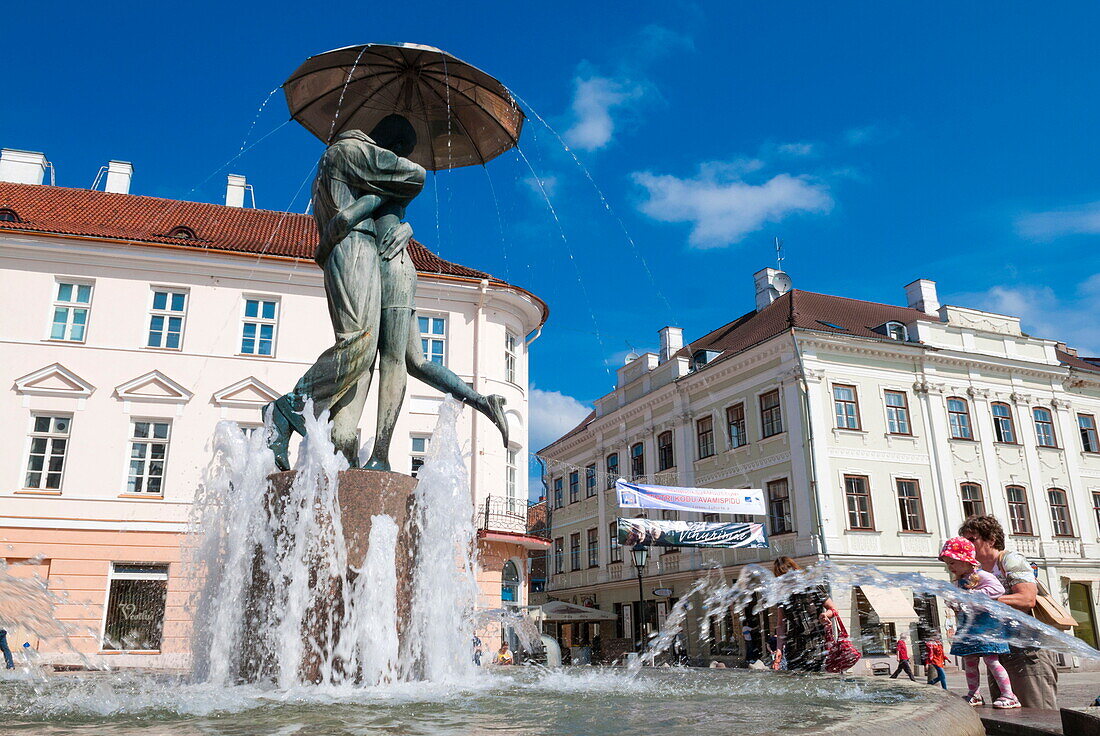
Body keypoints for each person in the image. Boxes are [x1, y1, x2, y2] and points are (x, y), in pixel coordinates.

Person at [265, 115, 508, 470]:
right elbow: (409, 179)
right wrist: (359, 214)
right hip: (361, 252)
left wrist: (398, 223)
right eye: (398, 154)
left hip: (390, 264)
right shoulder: (354, 155)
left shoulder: (349, 169)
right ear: (390, 149)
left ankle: (377, 453)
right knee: (365, 351)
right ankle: (302, 417)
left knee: (391, 358)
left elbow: (388, 203)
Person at [959, 515, 1058, 709]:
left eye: (972, 539)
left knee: (1037, 713)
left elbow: (1027, 599)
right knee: (1007, 715)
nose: (967, 545)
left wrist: (982, 600)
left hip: (1028, 651)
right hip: (997, 650)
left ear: (991, 539)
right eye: (965, 541)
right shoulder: (974, 572)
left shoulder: (1010, 560)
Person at [940, 536, 1020, 709]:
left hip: (986, 627)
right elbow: (958, 601)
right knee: (969, 661)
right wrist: (953, 601)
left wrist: (974, 595)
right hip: (968, 627)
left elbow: (998, 590)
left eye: (952, 562)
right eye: (947, 563)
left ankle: (1009, 695)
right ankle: (974, 694)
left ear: (966, 560)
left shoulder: (982, 575)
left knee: (991, 660)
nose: (950, 567)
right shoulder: (958, 582)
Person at [772, 556, 841, 672]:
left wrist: (825, 615)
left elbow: (833, 609)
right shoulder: (782, 595)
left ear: (794, 570)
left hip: (816, 644)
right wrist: (779, 649)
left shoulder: (813, 587)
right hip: (794, 647)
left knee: (816, 678)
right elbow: (781, 624)